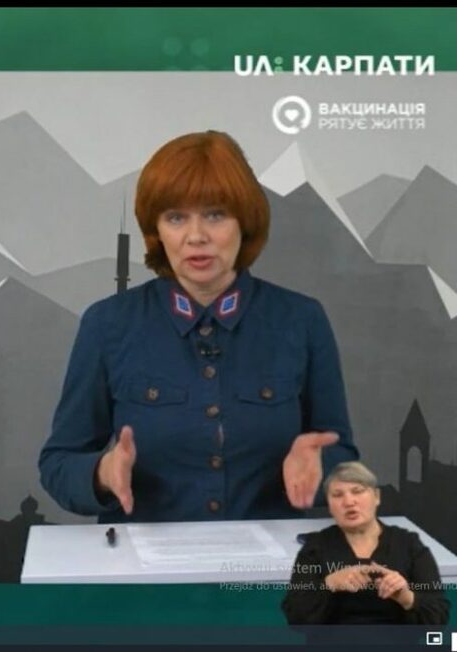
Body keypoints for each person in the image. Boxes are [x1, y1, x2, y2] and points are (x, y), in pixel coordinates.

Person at [39, 130, 358, 523]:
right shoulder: (107, 324)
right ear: (157, 231)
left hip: (267, 558)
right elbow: (59, 464)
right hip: (142, 558)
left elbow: (342, 455)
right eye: (176, 217)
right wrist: (102, 473)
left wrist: (320, 468)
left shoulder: (302, 320)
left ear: (245, 222)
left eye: (215, 215)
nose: (196, 237)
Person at [281, 461, 449, 624]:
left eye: (358, 491)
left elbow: (439, 616)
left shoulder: (409, 545)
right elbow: (295, 617)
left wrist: (406, 597)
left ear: (376, 497)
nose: (349, 502)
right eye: (337, 495)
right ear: (330, 506)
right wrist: (329, 584)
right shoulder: (315, 548)